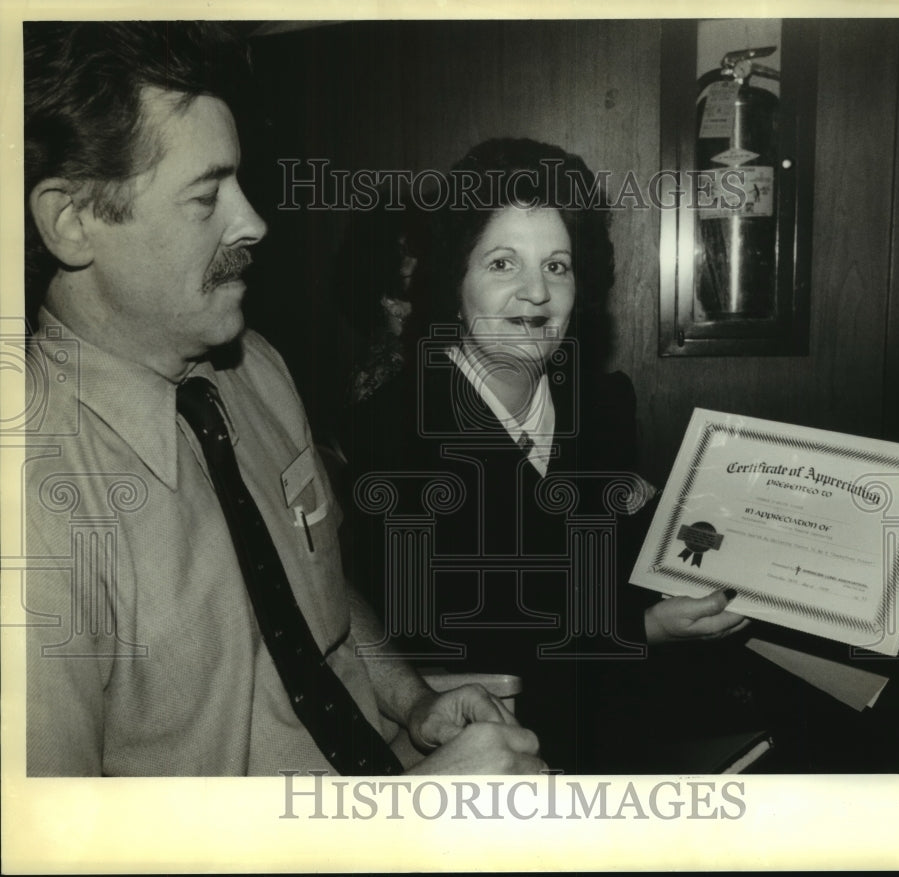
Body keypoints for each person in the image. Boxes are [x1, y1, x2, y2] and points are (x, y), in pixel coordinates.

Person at [22, 21, 544, 777]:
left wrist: (410, 697)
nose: (254, 221)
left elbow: (317, 595)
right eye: (207, 198)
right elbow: (62, 848)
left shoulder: (255, 369)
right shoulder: (30, 501)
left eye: (240, 182)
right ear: (71, 222)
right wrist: (401, 828)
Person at [340, 138, 747, 773]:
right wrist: (647, 629)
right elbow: (467, 625)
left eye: (557, 266)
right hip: (488, 748)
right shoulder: (390, 430)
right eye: (503, 264)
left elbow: (613, 565)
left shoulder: (602, 404)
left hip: (629, 718)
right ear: (456, 280)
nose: (537, 292)